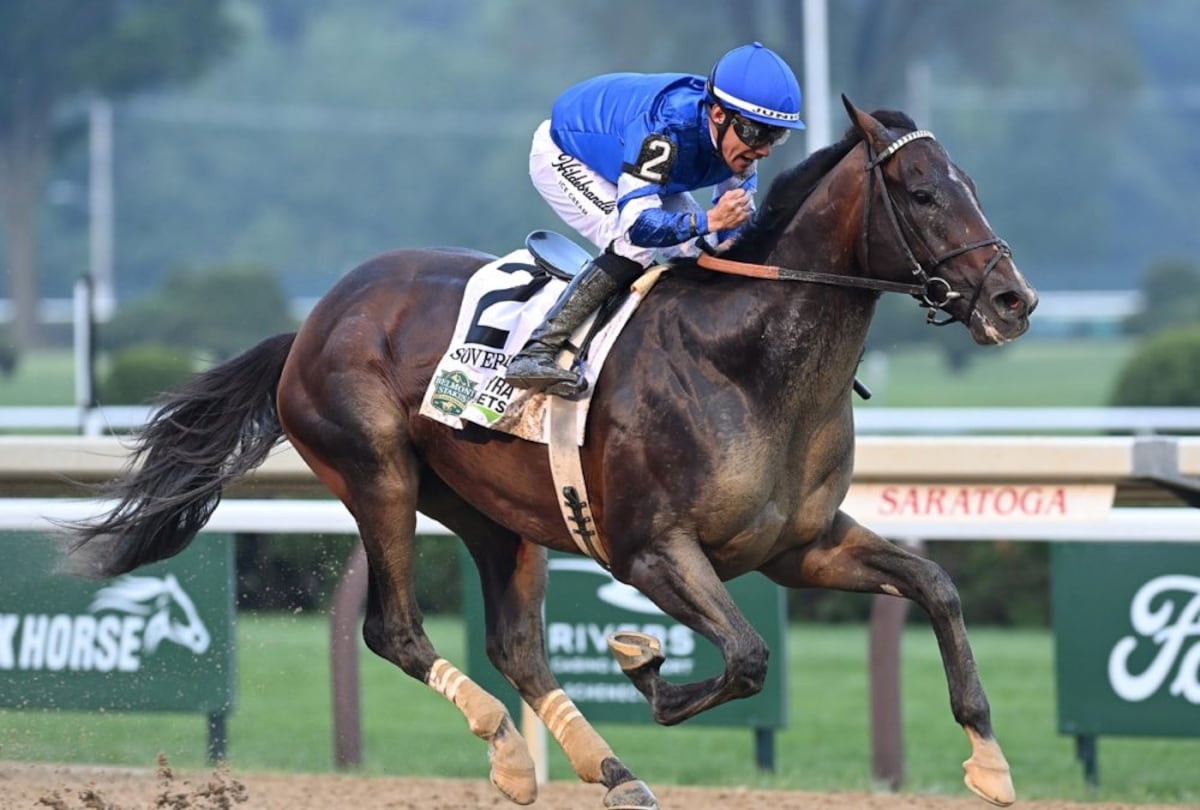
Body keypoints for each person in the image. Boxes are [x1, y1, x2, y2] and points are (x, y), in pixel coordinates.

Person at [504, 41, 805, 397]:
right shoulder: (665, 130)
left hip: (646, 173)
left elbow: (733, 236)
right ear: (718, 114)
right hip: (568, 154)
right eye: (757, 133)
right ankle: (537, 352)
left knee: (704, 251)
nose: (764, 149)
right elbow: (639, 228)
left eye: (775, 136)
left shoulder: (740, 144)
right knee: (633, 247)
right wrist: (707, 221)